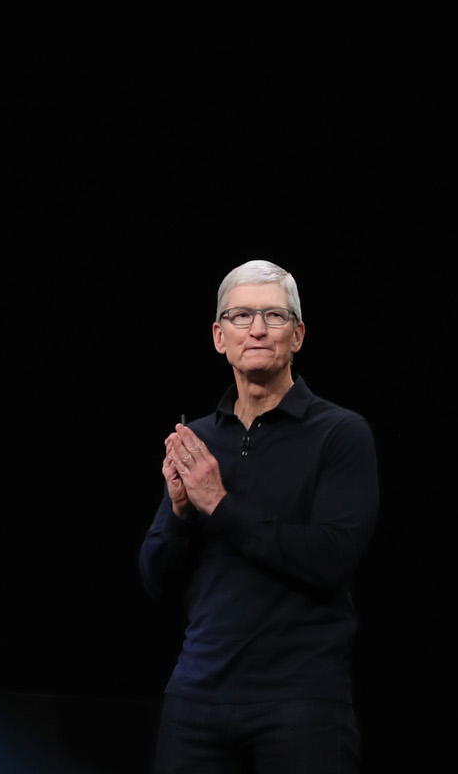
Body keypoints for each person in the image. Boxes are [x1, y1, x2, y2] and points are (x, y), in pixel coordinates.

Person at [139, 260, 379, 773]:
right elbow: (155, 578)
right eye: (241, 315)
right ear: (218, 336)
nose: (257, 329)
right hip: (196, 701)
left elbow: (332, 559)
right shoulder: (197, 439)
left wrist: (220, 506)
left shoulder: (340, 433)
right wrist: (182, 513)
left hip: (302, 702)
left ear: (298, 334)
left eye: (273, 315)